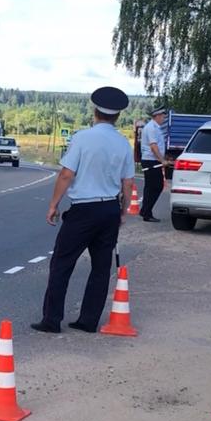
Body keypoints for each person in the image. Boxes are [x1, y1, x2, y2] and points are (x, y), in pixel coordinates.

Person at [31, 86, 135, 334]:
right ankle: (88, 320)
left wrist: (54, 204)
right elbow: (128, 183)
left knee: (62, 263)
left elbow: (67, 174)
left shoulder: (82, 138)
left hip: (83, 210)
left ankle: (52, 319)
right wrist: (122, 212)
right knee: (101, 267)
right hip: (109, 209)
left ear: (95, 111)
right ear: (118, 116)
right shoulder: (123, 144)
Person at [138, 107, 167, 222]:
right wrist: (162, 160)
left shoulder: (155, 127)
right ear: (158, 116)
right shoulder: (151, 128)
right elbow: (153, 146)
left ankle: (146, 211)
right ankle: (146, 211)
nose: (163, 119)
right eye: (163, 116)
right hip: (151, 160)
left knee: (151, 187)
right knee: (156, 186)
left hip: (152, 160)